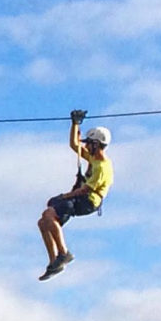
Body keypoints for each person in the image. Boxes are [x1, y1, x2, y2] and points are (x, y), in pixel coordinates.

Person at [38, 111, 109, 280]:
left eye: (89, 143)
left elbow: (86, 190)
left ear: (96, 144)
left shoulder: (102, 167)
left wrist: (65, 196)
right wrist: (75, 124)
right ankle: (54, 262)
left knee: (50, 213)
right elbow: (74, 145)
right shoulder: (93, 159)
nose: (87, 146)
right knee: (43, 221)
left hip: (88, 201)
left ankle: (64, 253)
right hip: (81, 198)